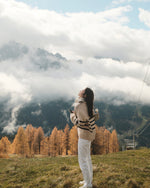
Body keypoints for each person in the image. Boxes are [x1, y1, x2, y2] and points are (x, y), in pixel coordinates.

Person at [70, 87, 99, 188]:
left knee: (82, 160)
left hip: (84, 135)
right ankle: (88, 180)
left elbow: (79, 123)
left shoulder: (79, 105)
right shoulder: (88, 104)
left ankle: (88, 184)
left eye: (82, 90)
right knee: (87, 158)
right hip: (89, 134)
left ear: (84, 95)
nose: (80, 90)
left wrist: (72, 116)